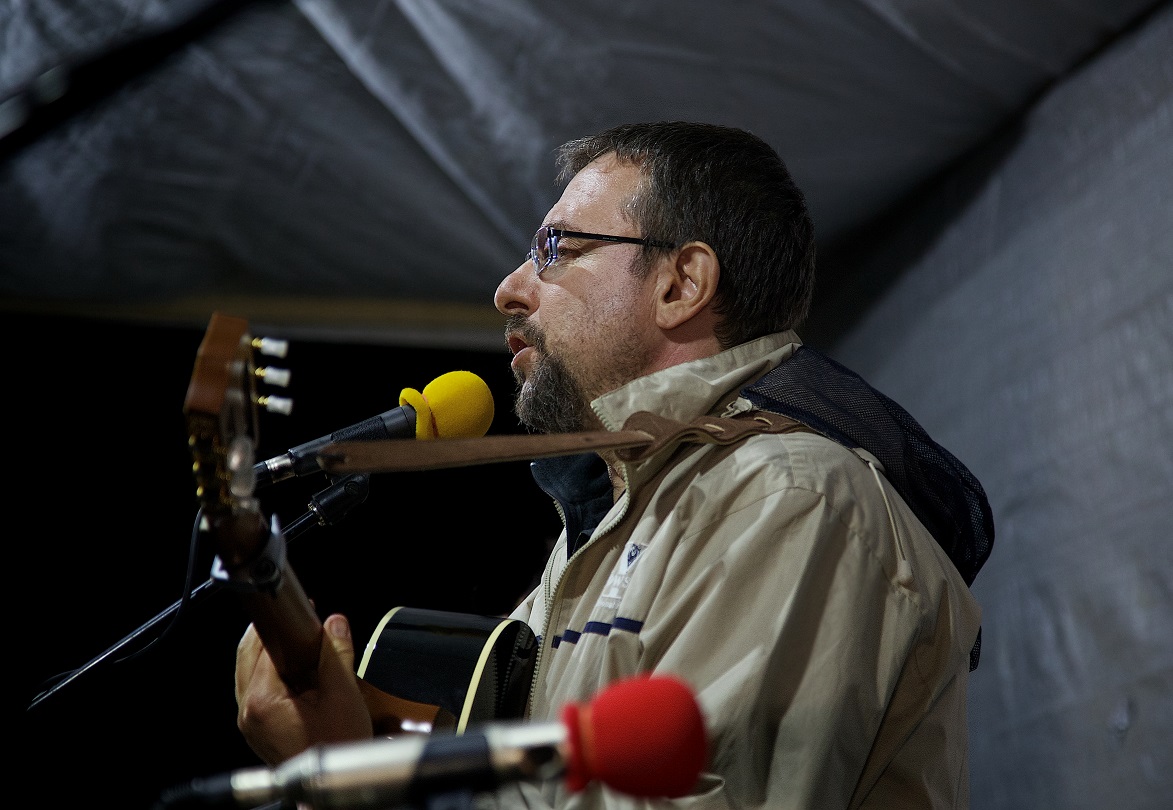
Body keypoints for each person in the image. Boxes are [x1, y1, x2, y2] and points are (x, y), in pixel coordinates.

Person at [234, 121, 987, 808]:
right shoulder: (616, 517)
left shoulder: (785, 496)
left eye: (554, 249)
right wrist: (344, 765)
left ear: (680, 285)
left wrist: (352, 783)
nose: (508, 289)